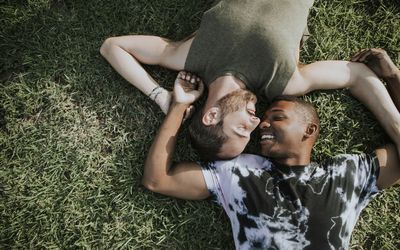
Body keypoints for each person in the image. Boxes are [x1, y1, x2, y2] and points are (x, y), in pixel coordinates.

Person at [142, 50, 400, 249]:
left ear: (309, 131)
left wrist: (394, 79)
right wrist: (179, 106)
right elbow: (158, 180)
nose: (262, 123)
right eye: (263, 118)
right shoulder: (238, 171)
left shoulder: (347, 175)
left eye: (277, 117)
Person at [100, 0, 400, 161]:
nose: (256, 123)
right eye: (250, 132)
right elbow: (357, 75)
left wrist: (163, 97)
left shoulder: (187, 57)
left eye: (242, 129)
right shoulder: (283, 84)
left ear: (212, 114)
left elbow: (112, 46)